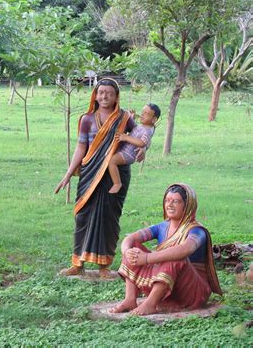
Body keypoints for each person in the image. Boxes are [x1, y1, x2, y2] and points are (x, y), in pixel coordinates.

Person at [55, 78, 142, 278]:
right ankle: (78, 263)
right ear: (95, 94)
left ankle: (104, 267)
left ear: (116, 96)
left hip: (115, 174)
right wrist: (69, 173)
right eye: (100, 92)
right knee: (83, 216)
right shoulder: (86, 119)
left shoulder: (124, 118)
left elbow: (141, 136)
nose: (104, 96)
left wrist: (142, 150)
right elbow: (81, 147)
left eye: (109, 93)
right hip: (90, 173)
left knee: (109, 218)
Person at [111, 183, 222, 315]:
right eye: (167, 200)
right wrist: (127, 252)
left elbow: (185, 249)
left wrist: (146, 258)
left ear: (187, 206)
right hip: (168, 285)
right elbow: (129, 239)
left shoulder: (197, 231)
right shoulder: (162, 226)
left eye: (176, 201)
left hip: (193, 291)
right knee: (133, 249)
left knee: (176, 257)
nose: (170, 205)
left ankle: (150, 304)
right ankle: (130, 299)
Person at [108, 103, 161, 194]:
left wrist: (126, 137)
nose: (142, 115)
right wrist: (131, 118)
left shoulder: (148, 131)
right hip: (125, 149)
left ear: (154, 119)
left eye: (147, 114)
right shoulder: (143, 126)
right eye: (142, 112)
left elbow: (142, 143)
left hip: (129, 154)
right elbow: (135, 130)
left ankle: (117, 183)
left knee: (112, 161)